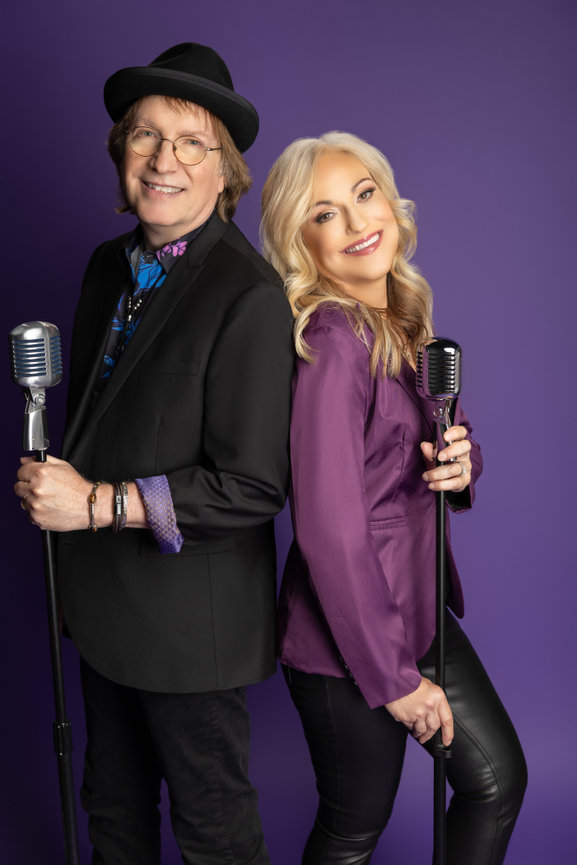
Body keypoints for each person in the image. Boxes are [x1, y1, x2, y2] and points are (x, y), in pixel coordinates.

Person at [15, 43, 294, 865]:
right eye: (144, 135)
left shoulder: (248, 295)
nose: (163, 159)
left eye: (191, 142)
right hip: (101, 606)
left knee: (214, 834)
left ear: (225, 172)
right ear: (120, 152)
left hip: (188, 628)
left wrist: (96, 503)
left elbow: (252, 484)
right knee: (114, 813)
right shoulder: (108, 267)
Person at [260, 132, 527, 865]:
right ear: (301, 243)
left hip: (418, 610)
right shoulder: (331, 342)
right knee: (353, 831)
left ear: (390, 201)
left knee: (495, 781)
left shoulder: (401, 315)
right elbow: (328, 528)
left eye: (364, 194)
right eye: (324, 214)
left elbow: (438, 436)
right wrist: (393, 681)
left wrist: (461, 466)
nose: (355, 221)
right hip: (347, 640)